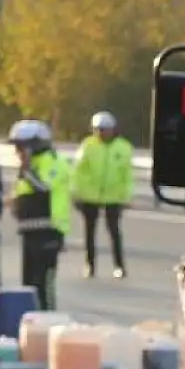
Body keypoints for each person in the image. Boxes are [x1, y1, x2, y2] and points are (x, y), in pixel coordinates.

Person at [8, 119, 72, 312]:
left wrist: (26, 170)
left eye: (21, 146)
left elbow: (43, 188)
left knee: (45, 284)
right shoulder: (29, 166)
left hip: (48, 230)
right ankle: (31, 327)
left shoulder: (53, 162)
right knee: (28, 286)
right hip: (29, 232)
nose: (18, 152)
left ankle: (48, 321)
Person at [72, 110, 134, 278]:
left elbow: (127, 174)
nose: (100, 133)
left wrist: (127, 196)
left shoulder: (123, 147)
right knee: (89, 232)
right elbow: (78, 170)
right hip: (89, 195)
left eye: (104, 129)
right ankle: (89, 265)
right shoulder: (88, 145)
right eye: (97, 129)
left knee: (114, 232)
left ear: (113, 129)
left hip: (113, 196)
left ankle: (119, 265)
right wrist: (75, 192)